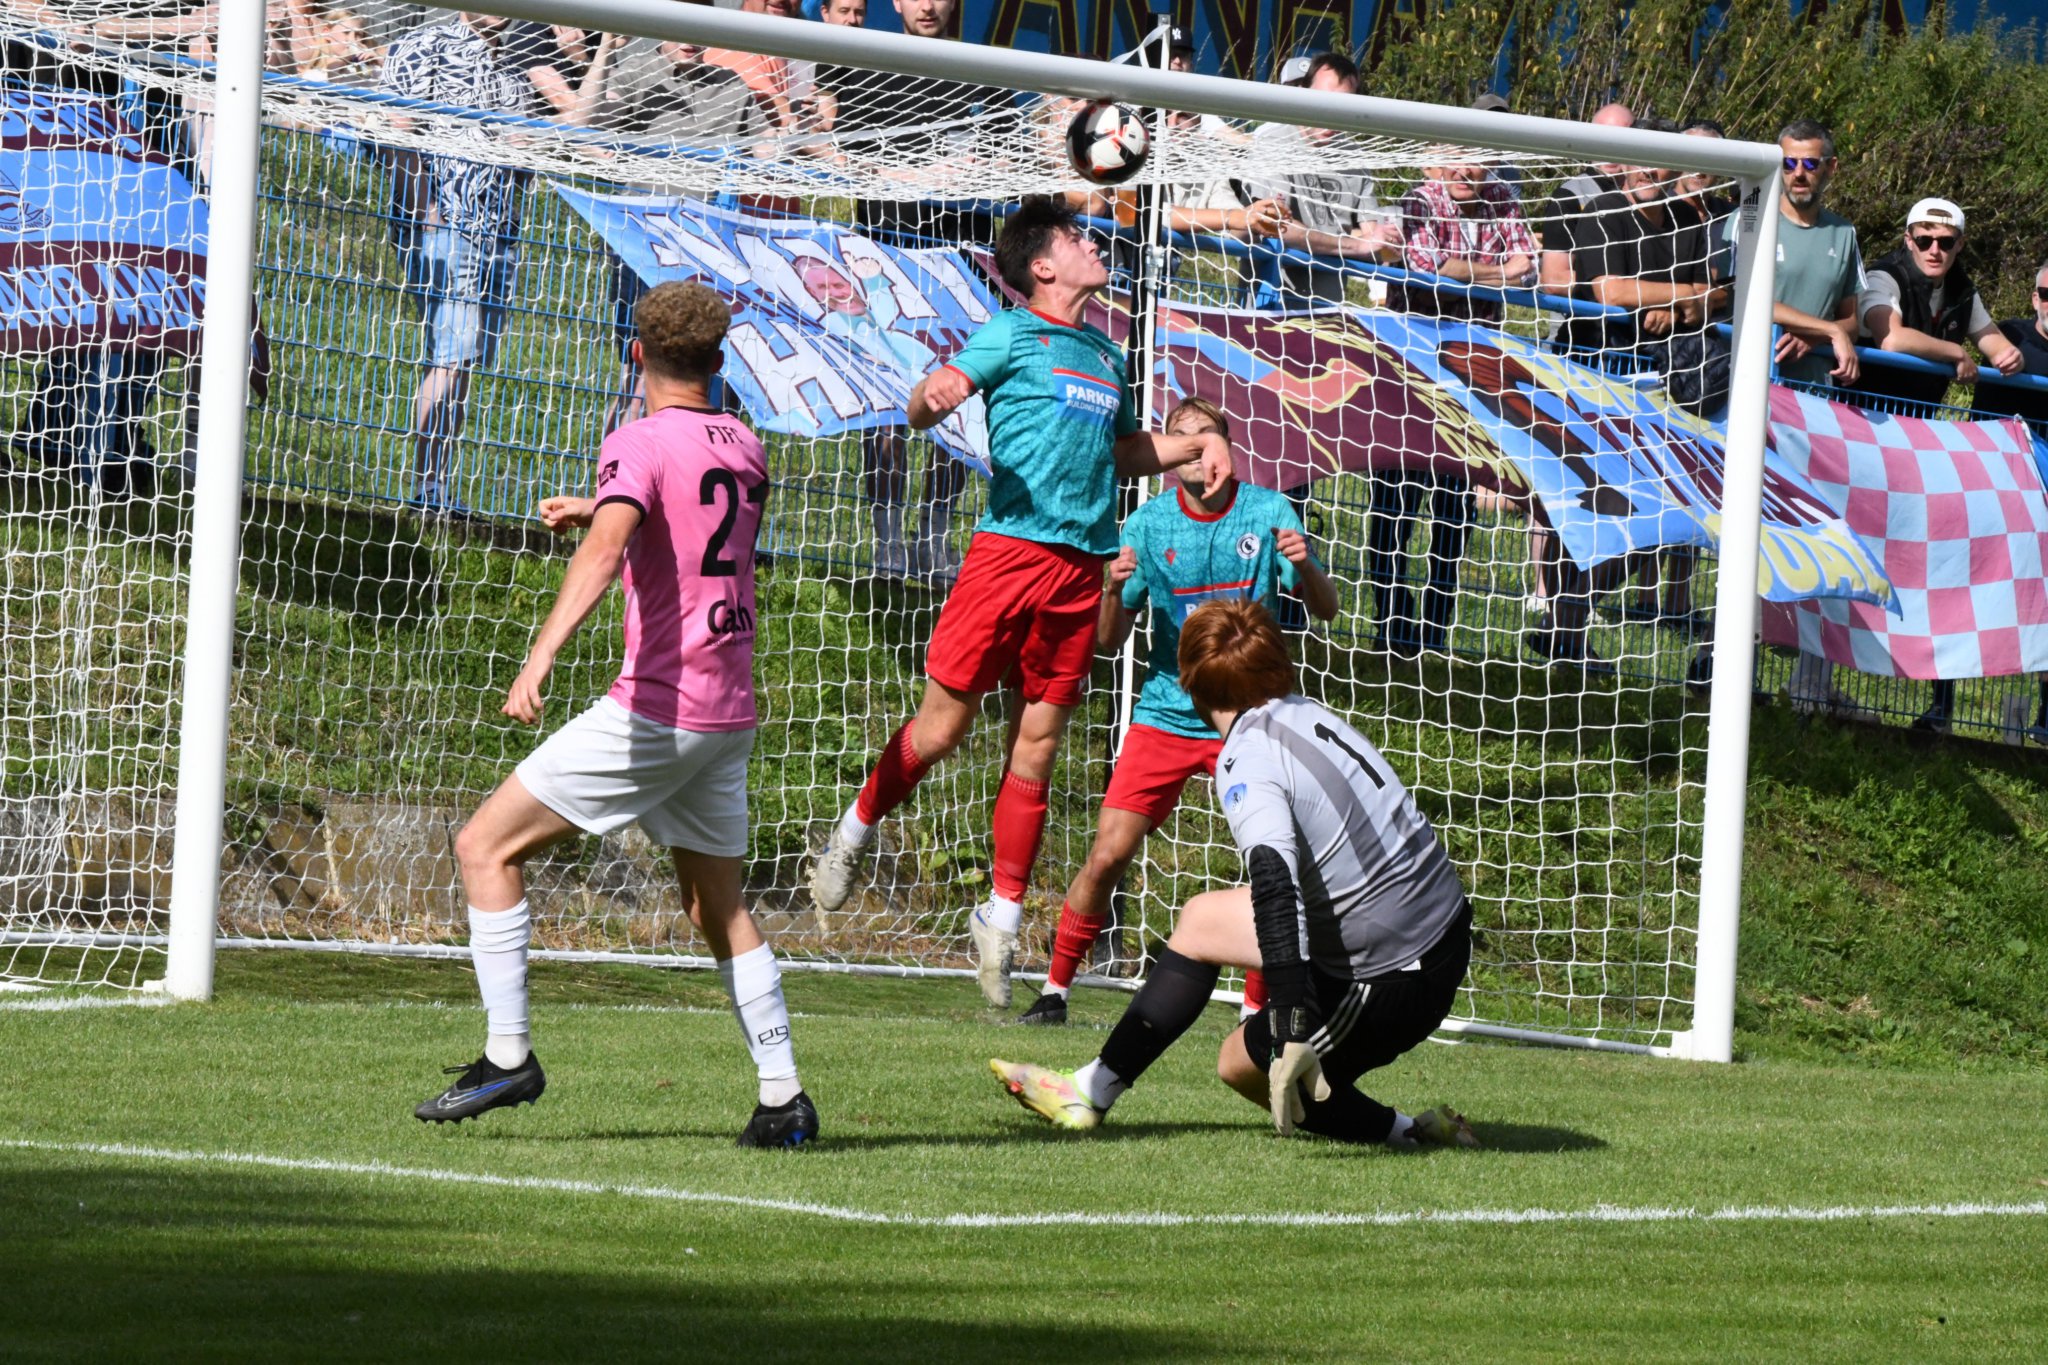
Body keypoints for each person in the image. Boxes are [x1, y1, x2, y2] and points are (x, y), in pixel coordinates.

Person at [413, 282, 817, 1148]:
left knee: (485, 845)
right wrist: (599, 504)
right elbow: (692, 518)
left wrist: (543, 650)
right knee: (719, 907)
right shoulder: (746, 445)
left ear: (636, 354)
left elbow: (612, 548)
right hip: (728, 708)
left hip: (658, 709)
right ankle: (783, 1096)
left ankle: (508, 1053)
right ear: (720, 359)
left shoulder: (634, 439)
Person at [805, 199, 1233, 1008]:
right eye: (1076, 237)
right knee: (942, 730)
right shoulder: (1011, 333)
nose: (1091, 242)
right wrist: (929, 398)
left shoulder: (1106, 352)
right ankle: (852, 831)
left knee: (1035, 748)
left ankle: (999, 921)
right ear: (1042, 267)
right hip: (1008, 557)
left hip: (1080, 570)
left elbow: (1122, 451)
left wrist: (1194, 444)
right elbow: (939, 393)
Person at [990, 599, 1477, 1150]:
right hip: (1423, 925)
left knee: (1240, 1065)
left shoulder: (1247, 756)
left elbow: (1274, 882)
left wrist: (1292, 1016)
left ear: (1191, 685)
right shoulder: (1304, 712)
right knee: (1199, 922)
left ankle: (1407, 1133)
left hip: (1397, 972)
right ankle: (1090, 1091)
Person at [1019, 397, 1340, 1026]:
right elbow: (1110, 642)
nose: (1194, 447)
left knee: (1271, 864)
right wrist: (1111, 589)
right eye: (1179, 439)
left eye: (1207, 435)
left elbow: (1325, 608)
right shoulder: (1146, 524)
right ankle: (1055, 989)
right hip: (1168, 710)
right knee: (1108, 853)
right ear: (1168, 459)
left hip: (1250, 717)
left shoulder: (1269, 511)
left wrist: (1306, 568)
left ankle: (1257, 1011)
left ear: (1226, 446)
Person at [813, 0, 1022, 580]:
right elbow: (839, 153)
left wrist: (979, 173)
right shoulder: (871, 63)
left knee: (957, 399)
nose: (927, 6)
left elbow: (1012, 162)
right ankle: (886, 538)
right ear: (896, 4)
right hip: (886, 261)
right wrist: (910, 179)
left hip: (964, 268)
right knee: (887, 405)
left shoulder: (985, 71)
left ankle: (933, 533)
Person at [562, 29, 770, 431]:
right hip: (640, 246)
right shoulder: (634, 69)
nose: (690, 37)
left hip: (702, 254)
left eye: (698, 19)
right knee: (638, 375)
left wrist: (805, 129)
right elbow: (584, 123)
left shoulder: (731, 85)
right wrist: (605, 50)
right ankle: (615, 475)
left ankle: (668, 477)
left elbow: (769, 152)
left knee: (687, 384)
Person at [379, 11, 533, 514]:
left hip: (498, 229)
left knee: (464, 362)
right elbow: (397, 132)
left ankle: (439, 485)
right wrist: (426, 210)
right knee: (452, 352)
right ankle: (426, 486)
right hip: (446, 223)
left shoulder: (512, 60)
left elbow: (520, 147)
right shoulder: (426, 44)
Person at [1766, 120, 1870, 717]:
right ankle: (1719, 657)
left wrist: (1823, 332)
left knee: (1815, 529)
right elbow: (1743, 290)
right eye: (1790, 163)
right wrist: (1822, 327)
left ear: (1830, 167)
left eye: (1811, 163)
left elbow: (1852, 318)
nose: (1799, 174)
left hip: (1815, 405)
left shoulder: (1844, 234)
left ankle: (1810, 678)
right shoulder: (1753, 216)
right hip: (1753, 393)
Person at [1238, 52, 1401, 308]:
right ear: (1304, 93)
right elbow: (1277, 226)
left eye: (1342, 106)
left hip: (1327, 309)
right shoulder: (1273, 141)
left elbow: (1375, 238)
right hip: (1270, 298)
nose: (1330, 115)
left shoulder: (1354, 157)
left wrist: (1390, 242)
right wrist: (1355, 245)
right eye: (1323, 101)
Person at [1857, 197, 2023, 409]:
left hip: (1919, 418)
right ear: (1908, 240)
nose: (1934, 251)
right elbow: (1891, 339)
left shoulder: (1963, 291)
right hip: (1863, 411)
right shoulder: (1883, 277)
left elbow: (2000, 349)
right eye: (1924, 241)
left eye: (1946, 242)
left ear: (1960, 244)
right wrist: (1956, 352)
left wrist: (2014, 359)